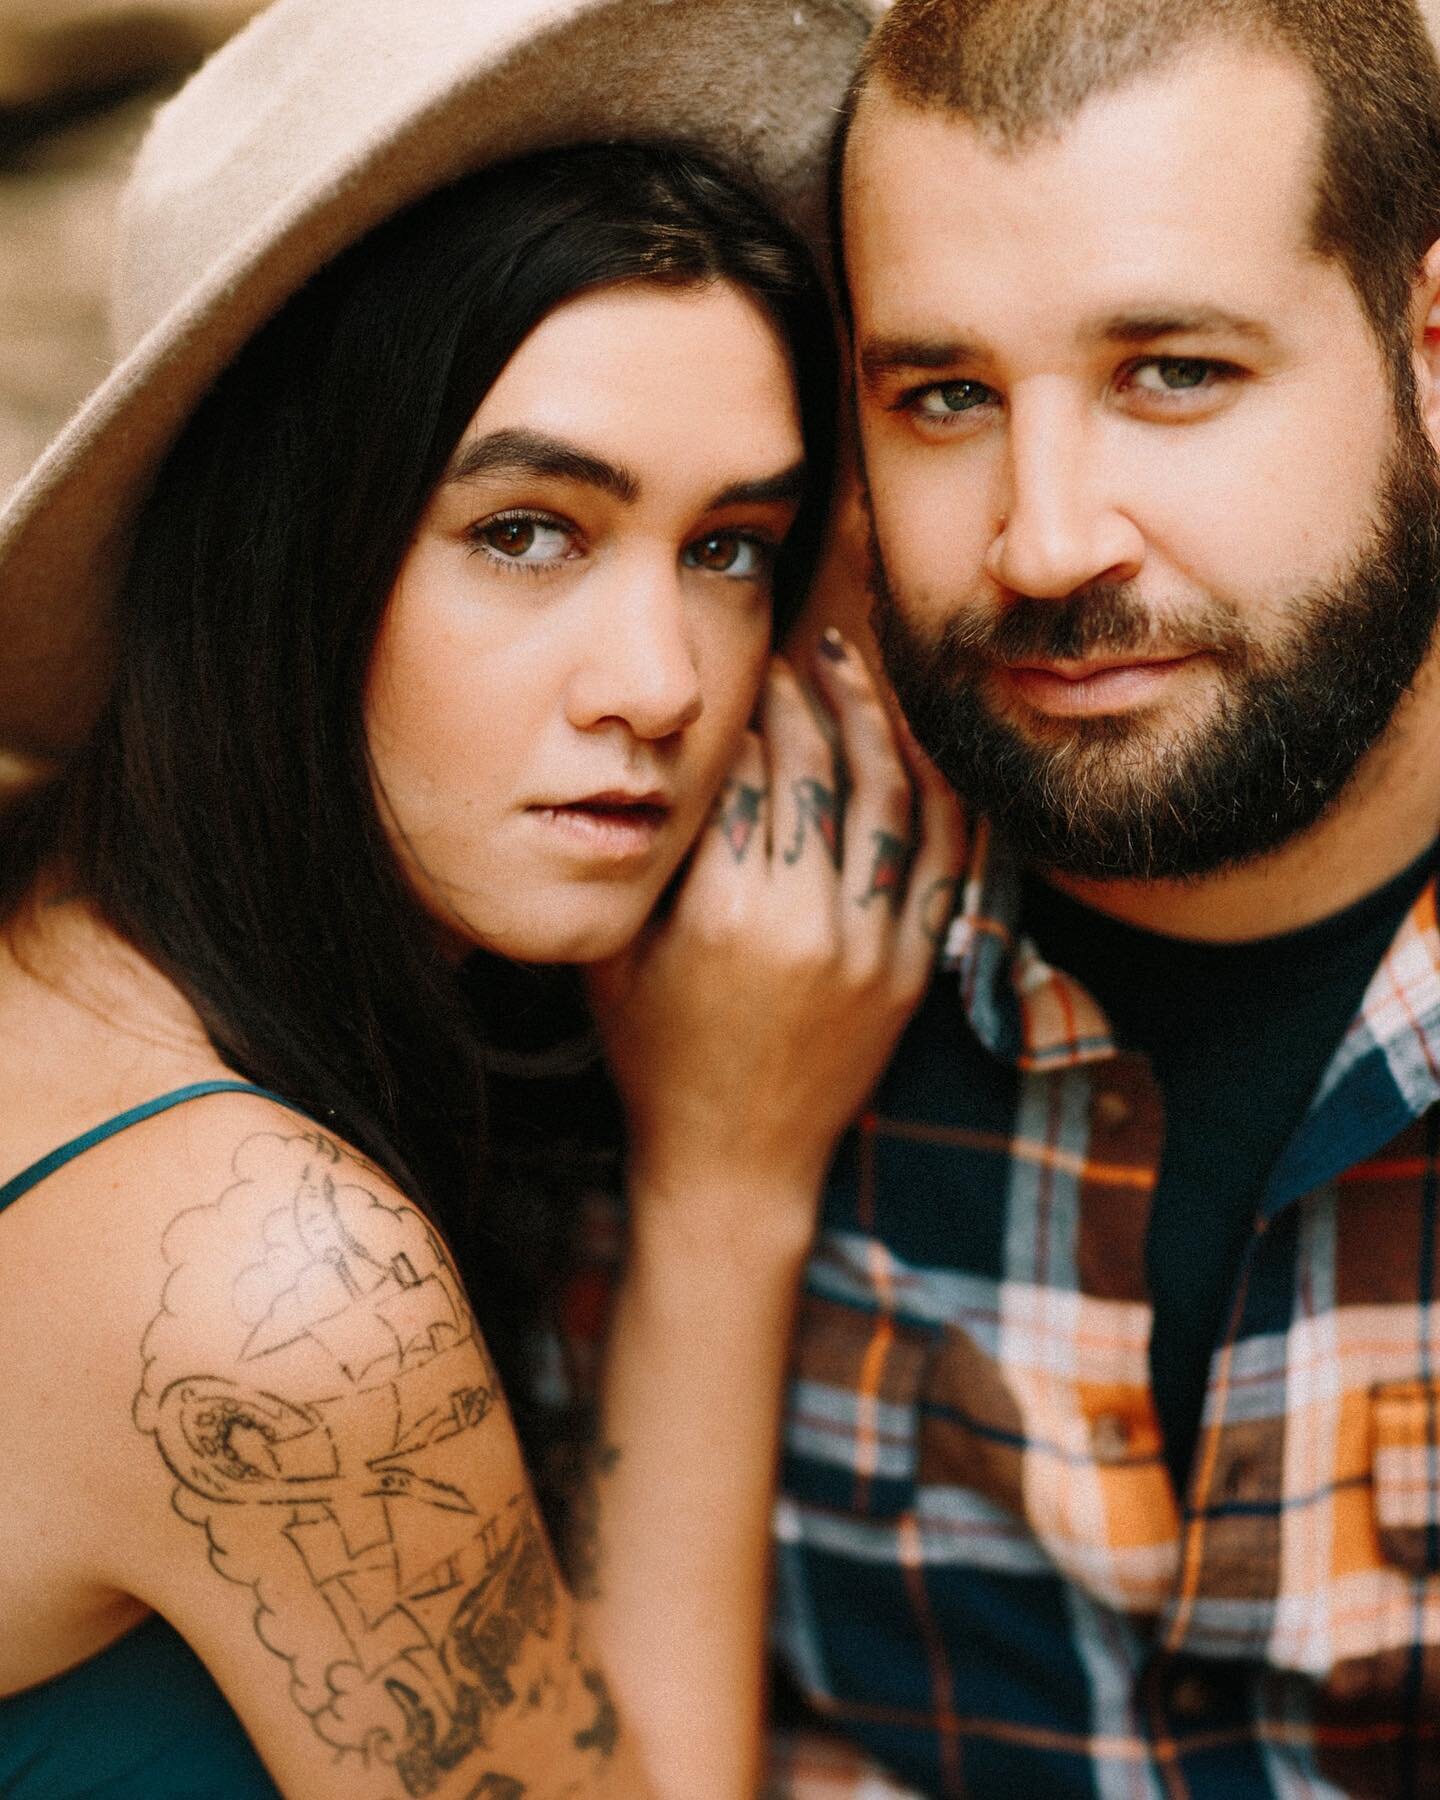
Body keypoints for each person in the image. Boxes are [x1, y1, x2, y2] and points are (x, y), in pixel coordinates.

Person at [0, 2, 968, 1797]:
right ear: (281, 540)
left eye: (728, 548)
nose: (662, 684)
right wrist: (726, 1185)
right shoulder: (269, 1275)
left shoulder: (64, 942)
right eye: (527, 531)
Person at [759, 0, 1440, 1792]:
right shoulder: (705, 944)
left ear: (1432, 346)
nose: (1047, 540)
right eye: (946, 398)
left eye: (1174, 373)